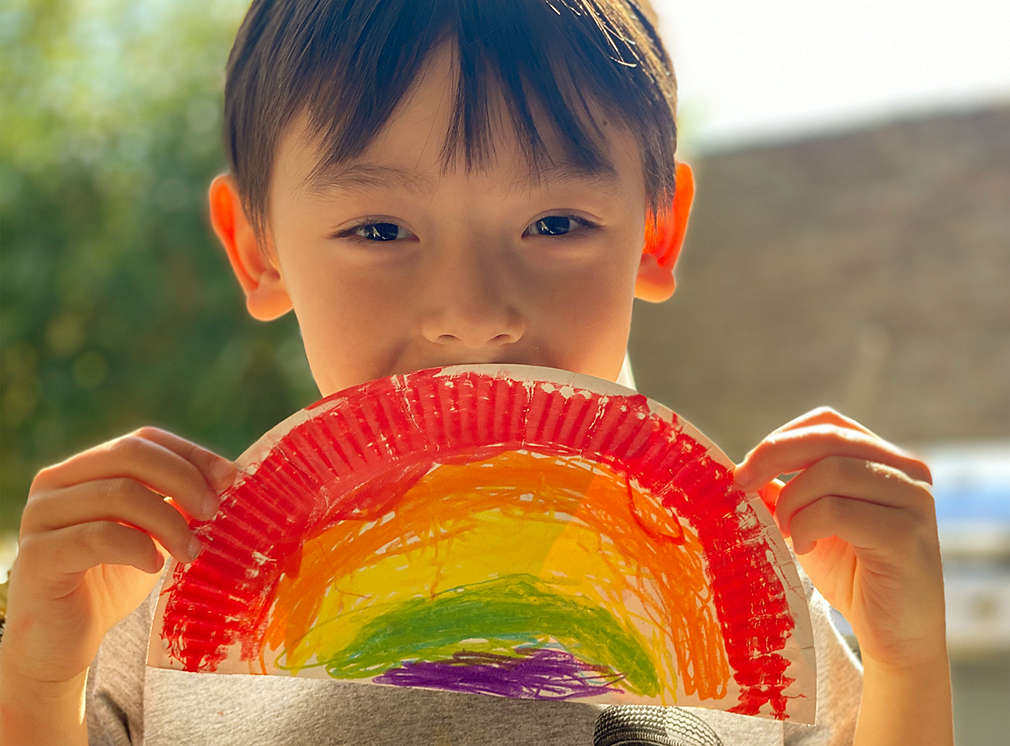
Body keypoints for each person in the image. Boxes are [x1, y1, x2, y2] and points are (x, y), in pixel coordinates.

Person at [0, 1, 953, 743]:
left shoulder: (738, 598)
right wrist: (38, 682)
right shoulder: (161, 617)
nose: (472, 314)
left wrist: (912, 664)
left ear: (656, 231)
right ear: (259, 250)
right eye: (378, 229)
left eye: (555, 225)